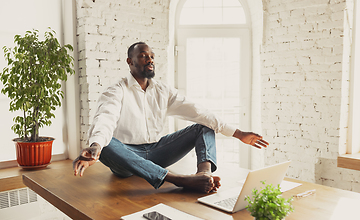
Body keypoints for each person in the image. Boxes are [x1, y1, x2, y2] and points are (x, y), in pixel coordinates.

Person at [73, 42, 269, 193]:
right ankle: (180, 180)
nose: (150, 60)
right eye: (143, 57)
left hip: (157, 151)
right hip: (127, 158)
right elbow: (105, 119)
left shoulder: (162, 90)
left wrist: (238, 133)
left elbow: (198, 111)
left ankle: (203, 176)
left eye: (152, 56)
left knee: (203, 125)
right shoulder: (116, 90)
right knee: (107, 144)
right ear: (129, 62)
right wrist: (96, 147)